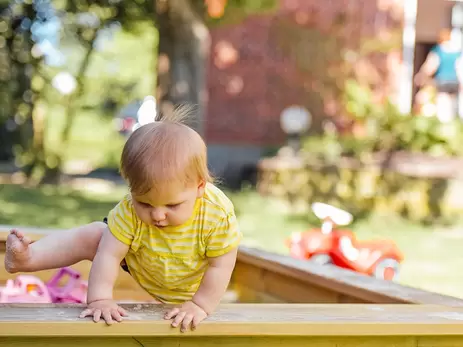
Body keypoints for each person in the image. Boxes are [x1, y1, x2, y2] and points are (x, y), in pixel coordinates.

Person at [4, 105, 242, 331]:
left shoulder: (216, 214)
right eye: (145, 203)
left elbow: (221, 265)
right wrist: (99, 299)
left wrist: (200, 305)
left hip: (192, 283)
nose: (157, 215)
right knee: (97, 235)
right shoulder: (128, 210)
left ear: (200, 187)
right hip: (144, 261)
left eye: (172, 205)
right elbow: (108, 255)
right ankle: (28, 258)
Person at [415, 28, 463, 122]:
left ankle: (444, 124)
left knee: (443, 106)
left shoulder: (439, 51)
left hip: (443, 81)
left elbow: (431, 65)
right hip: (454, 81)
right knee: (453, 105)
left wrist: (422, 75)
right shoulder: (457, 52)